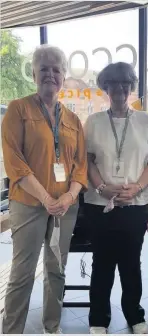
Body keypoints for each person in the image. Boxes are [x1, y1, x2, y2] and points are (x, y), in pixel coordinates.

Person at [1, 45, 87, 334]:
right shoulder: (18, 109)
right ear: (34, 73)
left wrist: (68, 197)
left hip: (65, 206)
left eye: (57, 69)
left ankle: (52, 327)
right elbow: (15, 162)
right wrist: (47, 198)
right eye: (44, 68)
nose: (51, 74)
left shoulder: (73, 120)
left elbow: (80, 167)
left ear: (63, 76)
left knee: (56, 269)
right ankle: (12, 330)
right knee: (22, 273)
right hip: (28, 204)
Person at [83, 62, 148, 335]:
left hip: (135, 205)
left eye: (126, 83)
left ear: (132, 86)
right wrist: (102, 187)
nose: (120, 88)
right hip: (99, 204)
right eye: (114, 83)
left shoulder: (147, 120)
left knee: (131, 262)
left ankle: (134, 315)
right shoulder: (93, 122)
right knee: (101, 263)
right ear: (105, 87)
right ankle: (98, 320)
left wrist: (138, 187)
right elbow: (88, 160)